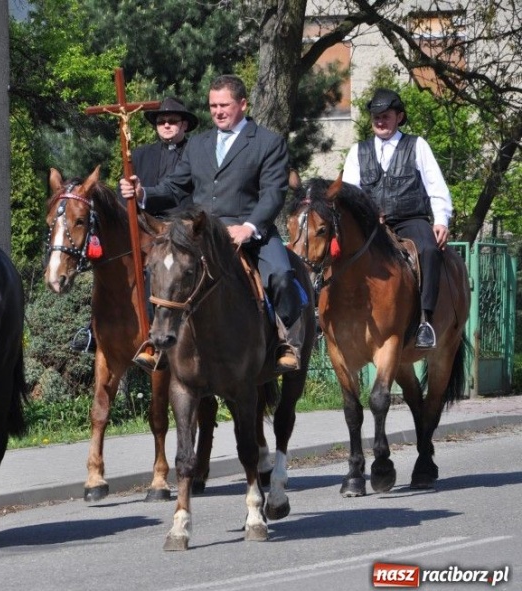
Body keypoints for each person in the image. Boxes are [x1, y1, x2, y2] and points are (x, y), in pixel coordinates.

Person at [120, 74, 306, 373]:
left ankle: (287, 344)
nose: (218, 111)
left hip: (250, 231)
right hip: (202, 231)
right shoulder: (199, 144)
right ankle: (159, 342)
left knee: (283, 275)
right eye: (212, 106)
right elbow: (174, 188)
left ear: (242, 104)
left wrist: (249, 227)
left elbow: (273, 194)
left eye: (224, 105)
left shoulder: (269, 143)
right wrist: (143, 193)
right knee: (160, 270)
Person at [69, 97, 199, 354]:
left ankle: (175, 328)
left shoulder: (196, 153)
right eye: (161, 121)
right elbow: (126, 196)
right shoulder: (139, 155)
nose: (167, 125)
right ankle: (94, 328)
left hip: (180, 227)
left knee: (164, 269)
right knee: (114, 265)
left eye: (173, 121)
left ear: (184, 125)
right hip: (144, 225)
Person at [341, 88, 452, 348]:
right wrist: (366, 215)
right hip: (372, 226)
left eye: (386, 116)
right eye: (376, 117)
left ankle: (426, 321)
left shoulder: (417, 145)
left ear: (399, 117)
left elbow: (437, 186)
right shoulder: (358, 151)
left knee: (428, 250)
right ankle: (327, 314)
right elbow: (349, 194)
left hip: (410, 219)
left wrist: (441, 220)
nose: (380, 121)